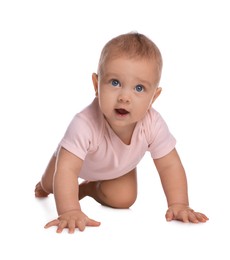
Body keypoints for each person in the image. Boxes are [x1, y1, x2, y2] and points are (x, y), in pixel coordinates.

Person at [35, 32, 209, 233]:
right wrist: (70, 210)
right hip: (71, 164)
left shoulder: (153, 123)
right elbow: (67, 169)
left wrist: (179, 204)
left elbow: (169, 165)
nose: (125, 97)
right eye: (115, 83)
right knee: (52, 185)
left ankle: (89, 188)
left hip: (119, 167)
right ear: (96, 85)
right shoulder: (84, 123)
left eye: (139, 88)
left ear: (154, 96)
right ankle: (49, 185)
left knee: (123, 199)